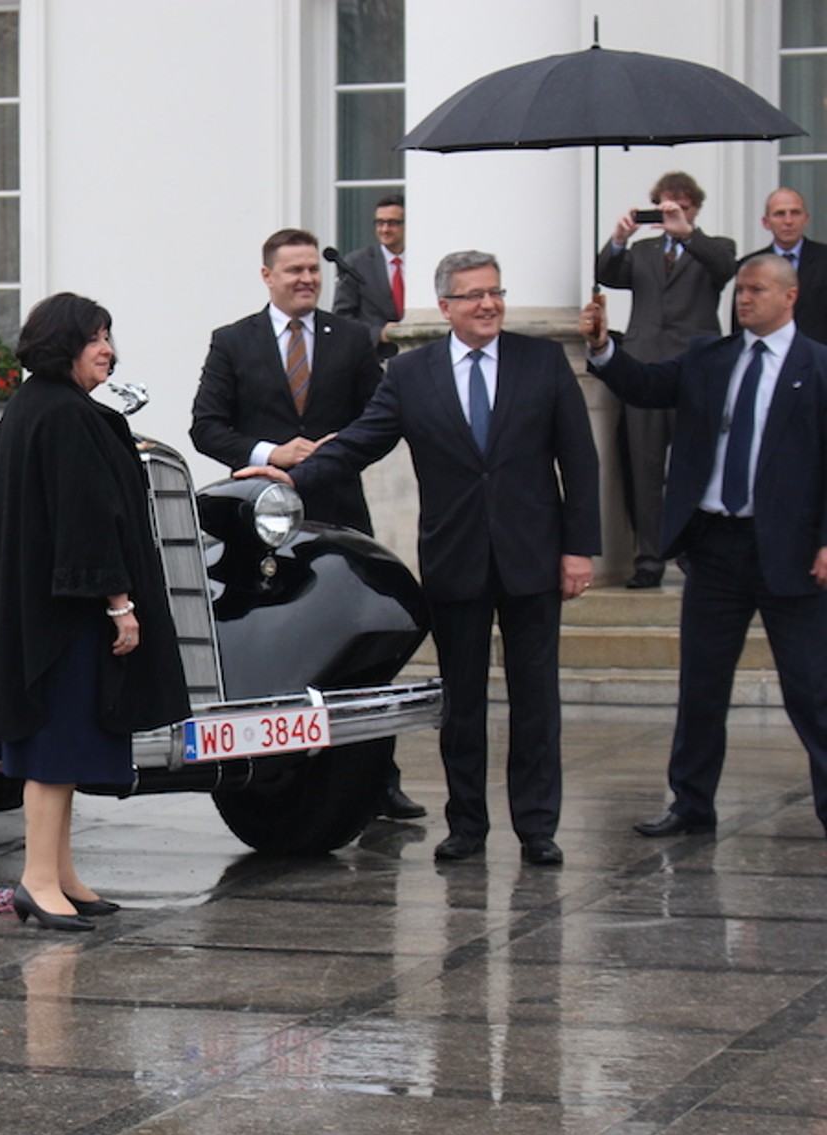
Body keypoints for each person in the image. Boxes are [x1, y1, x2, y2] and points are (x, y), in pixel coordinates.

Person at [238, 250, 601, 866]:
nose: (488, 304)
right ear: (446, 306)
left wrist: (579, 548)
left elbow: (580, 460)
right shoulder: (411, 373)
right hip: (456, 559)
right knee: (461, 702)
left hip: (533, 558)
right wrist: (290, 477)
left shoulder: (541, 362)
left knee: (536, 700)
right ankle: (467, 826)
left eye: (495, 292)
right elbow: (360, 443)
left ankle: (538, 828)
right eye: (474, 295)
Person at [0, 293, 189, 930]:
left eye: (109, 335)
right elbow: (87, 520)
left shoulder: (35, 406)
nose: (108, 349)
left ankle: (59, 874)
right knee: (54, 747)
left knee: (60, 741)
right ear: (64, 344)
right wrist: (120, 605)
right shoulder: (64, 415)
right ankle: (37, 881)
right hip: (66, 615)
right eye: (94, 338)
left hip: (42, 609)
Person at [580, 255, 827, 840]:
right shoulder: (709, 357)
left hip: (791, 550)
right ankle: (691, 803)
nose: (745, 299)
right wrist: (603, 348)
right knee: (701, 685)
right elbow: (644, 387)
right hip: (716, 545)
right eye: (741, 290)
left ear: (789, 297)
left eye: (757, 290)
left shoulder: (817, 367)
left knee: (812, 689)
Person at [190, 226, 424, 820]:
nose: (306, 279)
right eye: (294, 270)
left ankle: (378, 780)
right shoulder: (233, 341)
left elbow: (381, 417)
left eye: (313, 270)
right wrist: (272, 453)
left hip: (339, 515)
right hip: (257, 522)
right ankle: (265, 766)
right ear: (267, 276)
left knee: (360, 646)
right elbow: (206, 426)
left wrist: (331, 453)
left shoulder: (351, 340)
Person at [596, 172, 736, 589]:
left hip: (696, 368)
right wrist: (619, 239)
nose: (673, 213)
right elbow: (607, 273)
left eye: (683, 206)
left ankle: (694, 549)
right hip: (645, 366)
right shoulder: (643, 251)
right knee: (645, 465)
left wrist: (686, 233)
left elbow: (724, 269)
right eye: (665, 206)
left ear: (696, 208)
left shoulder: (715, 246)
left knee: (697, 462)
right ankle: (649, 557)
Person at [737, 189, 827, 345]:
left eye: (795, 213)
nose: (788, 221)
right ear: (766, 222)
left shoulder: (824, 259)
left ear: (806, 219)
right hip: (765, 352)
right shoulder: (750, 265)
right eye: (780, 214)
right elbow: (741, 321)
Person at [333, 193, 408, 350]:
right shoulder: (356, 263)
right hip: (375, 355)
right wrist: (379, 334)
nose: (385, 229)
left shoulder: (422, 262)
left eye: (392, 223)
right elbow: (342, 317)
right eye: (380, 223)